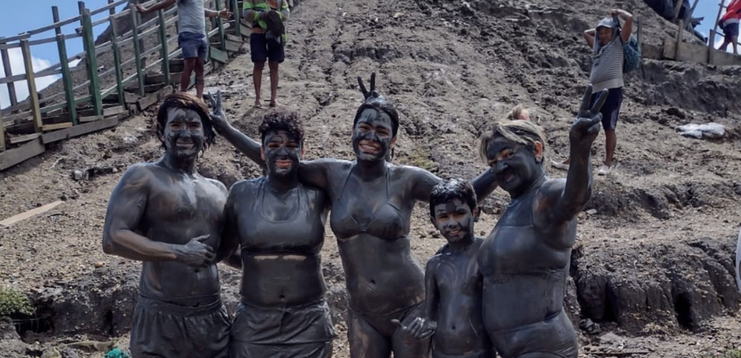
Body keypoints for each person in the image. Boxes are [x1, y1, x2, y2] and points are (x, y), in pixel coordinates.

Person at [210, 73, 499, 358]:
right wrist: (225, 128)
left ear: (394, 140)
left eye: (382, 132)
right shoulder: (332, 174)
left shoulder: (407, 179)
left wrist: (499, 167)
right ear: (352, 130)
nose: (371, 137)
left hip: (410, 305)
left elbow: (461, 196)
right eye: (365, 127)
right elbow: (280, 159)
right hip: (362, 312)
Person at [102, 93, 234, 358]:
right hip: (161, 317)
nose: (185, 132)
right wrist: (178, 252)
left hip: (212, 317)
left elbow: (230, 252)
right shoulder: (143, 176)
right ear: (162, 132)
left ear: (206, 133)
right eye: (176, 125)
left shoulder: (218, 189)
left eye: (194, 126)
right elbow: (113, 238)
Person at [477, 87, 606, 358]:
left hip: (544, 348)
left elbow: (575, 197)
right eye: (492, 163)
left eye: (508, 155)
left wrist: (581, 150)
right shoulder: (516, 205)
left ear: (537, 150)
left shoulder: (545, 196)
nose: (500, 167)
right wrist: (504, 150)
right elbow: (463, 199)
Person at [217, 106, 336, 358]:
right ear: (262, 151)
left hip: (309, 322)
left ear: (303, 151)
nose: (283, 152)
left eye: (291, 145)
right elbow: (224, 251)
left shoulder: (319, 193)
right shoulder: (242, 193)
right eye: (273, 146)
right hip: (255, 320)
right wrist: (263, 265)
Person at [402, 179, 495, 358]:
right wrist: (419, 327)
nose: (452, 223)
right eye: (444, 217)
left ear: (475, 213)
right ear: (434, 222)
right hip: (442, 353)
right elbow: (430, 317)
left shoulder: (487, 254)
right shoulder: (435, 265)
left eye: (459, 213)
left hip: (479, 353)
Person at [552, 9, 633, 176]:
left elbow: (630, 19)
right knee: (582, 125)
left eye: (606, 32)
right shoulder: (597, 47)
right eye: (600, 33)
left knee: (609, 127)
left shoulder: (619, 43)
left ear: (614, 32)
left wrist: (616, 14)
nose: (602, 36)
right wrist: (601, 28)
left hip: (612, 89)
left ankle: (607, 164)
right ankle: (572, 160)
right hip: (593, 90)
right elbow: (586, 33)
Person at [135, 0, 232, 98]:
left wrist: (218, 13)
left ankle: (199, 97)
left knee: (200, 66)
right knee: (190, 63)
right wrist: (147, 10)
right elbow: (166, 3)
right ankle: (184, 92)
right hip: (189, 33)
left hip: (201, 33)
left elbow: (200, 11)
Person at [243, 0, 290, 108]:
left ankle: (273, 99)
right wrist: (262, 15)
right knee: (259, 63)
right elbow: (246, 13)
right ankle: (257, 99)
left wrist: (276, 16)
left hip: (274, 33)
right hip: (258, 33)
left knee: (274, 64)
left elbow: (286, 11)